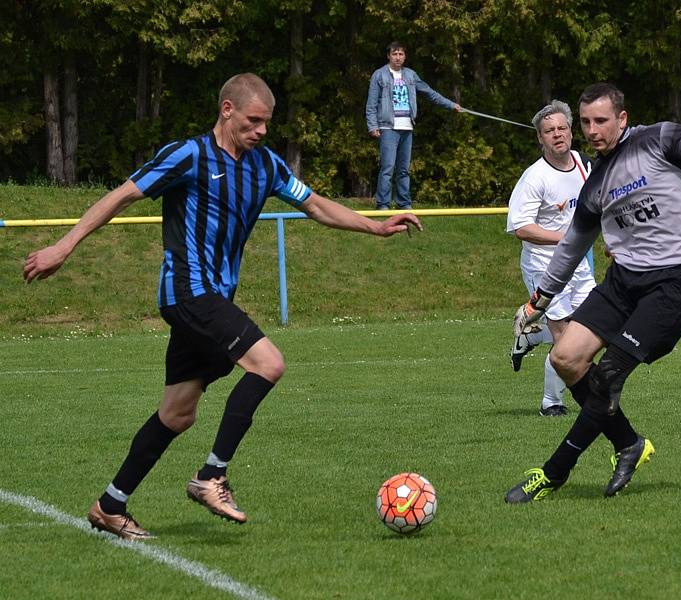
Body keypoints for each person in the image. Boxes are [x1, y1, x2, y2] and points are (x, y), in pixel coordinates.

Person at [23, 73, 422, 540]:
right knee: (268, 364)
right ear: (227, 110)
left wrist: (375, 227)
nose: (261, 131)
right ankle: (212, 476)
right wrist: (64, 246)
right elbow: (121, 196)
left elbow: (315, 205)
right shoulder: (188, 155)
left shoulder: (266, 166)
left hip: (214, 298)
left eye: (267, 123)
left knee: (177, 413)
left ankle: (111, 504)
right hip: (188, 292)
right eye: (254, 121)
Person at [504, 82, 681, 503]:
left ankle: (554, 472)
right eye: (585, 122)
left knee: (609, 375)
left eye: (601, 120)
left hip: (676, 281)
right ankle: (628, 444)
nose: (592, 130)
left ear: (622, 118)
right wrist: (538, 301)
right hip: (624, 281)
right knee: (565, 358)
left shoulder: (657, 140)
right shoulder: (595, 181)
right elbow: (571, 247)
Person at [506, 100, 594, 417]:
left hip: (579, 264)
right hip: (544, 266)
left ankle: (530, 338)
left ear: (571, 131)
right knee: (567, 340)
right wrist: (567, 239)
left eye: (562, 128)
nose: (557, 134)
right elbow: (521, 228)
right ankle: (551, 403)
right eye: (549, 131)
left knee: (594, 328)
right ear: (540, 138)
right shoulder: (534, 178)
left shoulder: (585, 165)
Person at [365, 41, 462, 210]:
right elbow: (371, 104)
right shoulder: (379, 75)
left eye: (401, 54)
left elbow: (429, 92)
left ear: (405, 56)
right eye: (394, 54)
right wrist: (373, 125)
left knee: (404, 169)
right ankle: (383, 204)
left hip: (407, 127)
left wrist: (451, 104)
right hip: (388, 127)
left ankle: (404, 203)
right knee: (387, 168)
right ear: (388, 56)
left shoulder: (410, 75)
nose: (398, 57)